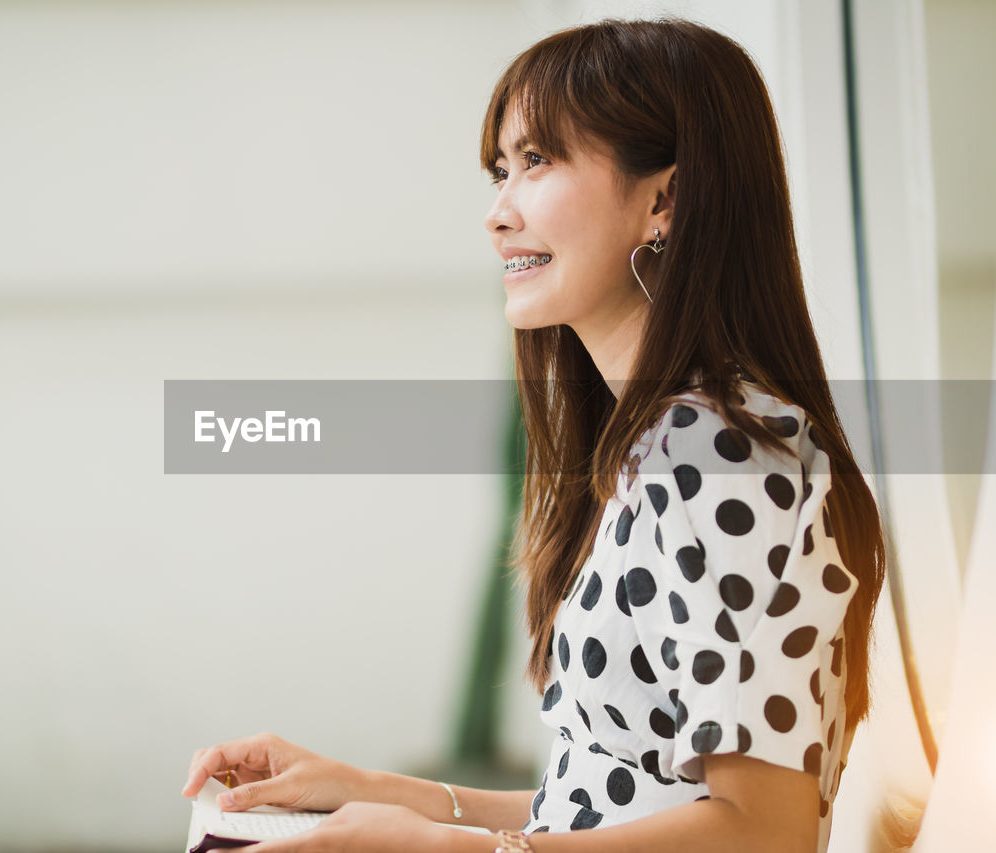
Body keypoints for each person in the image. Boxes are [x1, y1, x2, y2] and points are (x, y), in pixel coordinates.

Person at [180, 17, 885, 852]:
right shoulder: (658, 445)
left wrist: (449, 849)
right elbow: (608, 798)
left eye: (538, 161)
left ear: (663, 199)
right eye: (500, 170)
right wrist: (367, 792)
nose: (497, 213)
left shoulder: (718, 453)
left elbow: (763, 831)